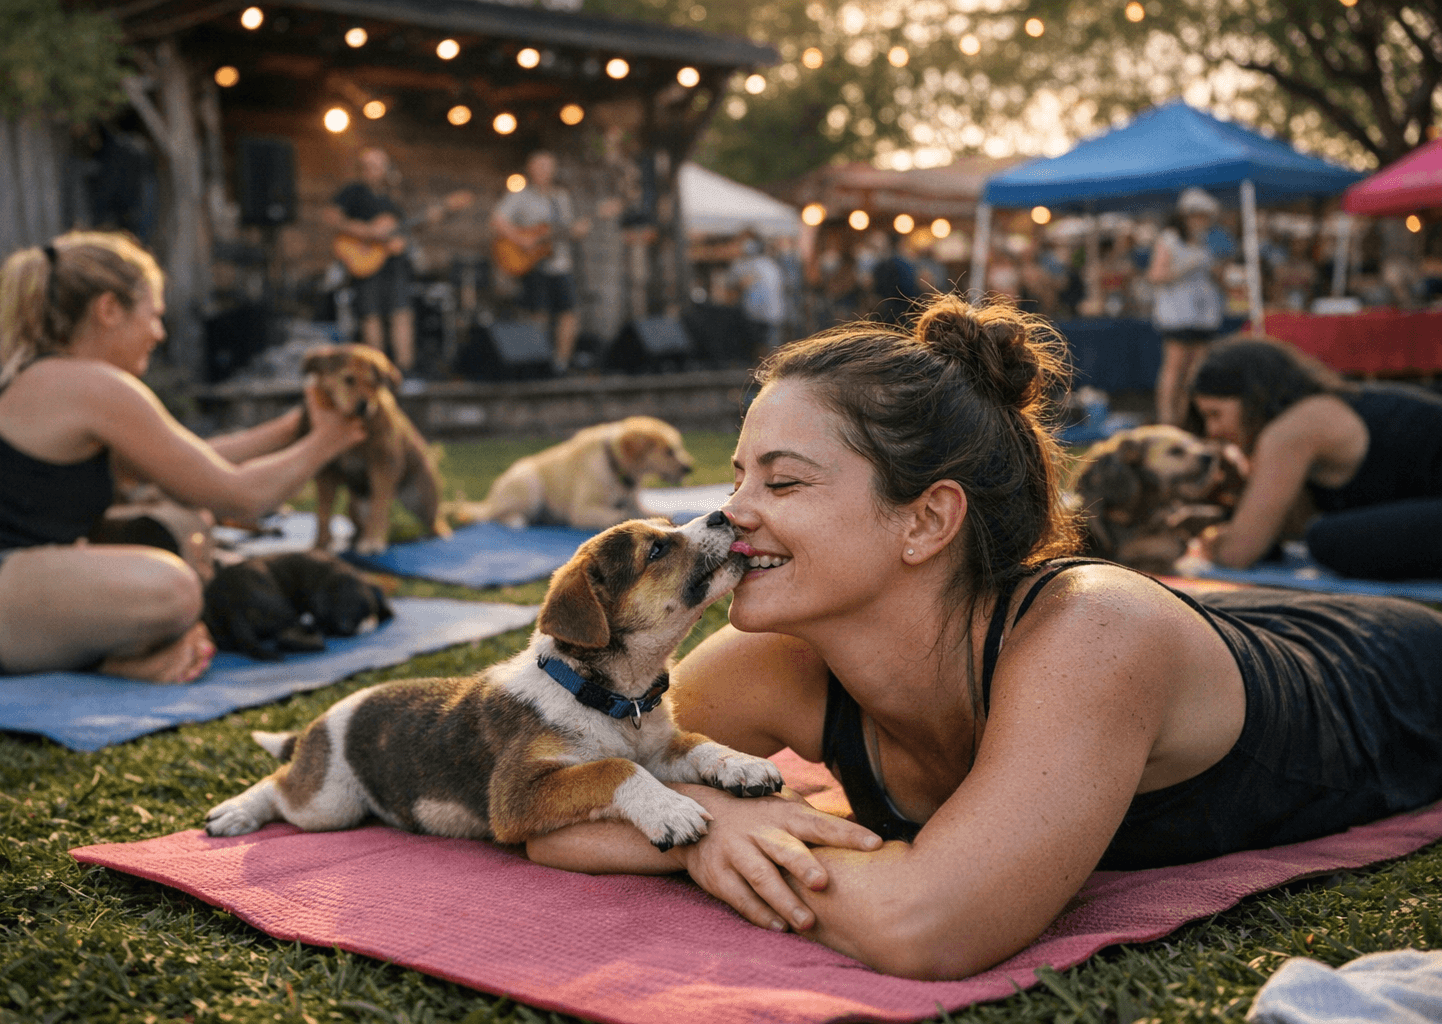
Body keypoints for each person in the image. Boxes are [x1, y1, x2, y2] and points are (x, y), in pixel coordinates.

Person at [524, 295, 1442, 980]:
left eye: (785, 483)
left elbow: (926, 924)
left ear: (927, 521)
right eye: (737, 479)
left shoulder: (1096, 632)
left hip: (1398, 670)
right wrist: (710, 822)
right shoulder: (786, 656)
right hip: (1233, 629)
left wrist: (690, 825)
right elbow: (540, 793)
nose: (731, 516)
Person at [0, 232, 366, 683]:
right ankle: (114, 662)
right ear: (109, 310)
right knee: (172, 587)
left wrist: (294, 428)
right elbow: (241, 498)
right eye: (153, 315)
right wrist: (331, 439)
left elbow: (196, 462)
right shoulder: (88, 386)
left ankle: (117, 659)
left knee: (179, 541)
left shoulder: (50, 380)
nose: (159, 333)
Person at [1187, 336, 1442, 579]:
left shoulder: (1293, 430)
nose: (1212, 431)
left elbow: (1237, 553)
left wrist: (1203, 541)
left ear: (1253, 400)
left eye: (1215, 414)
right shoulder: (1312, 413)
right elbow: (1291, 527)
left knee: (1329, 540)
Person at [490, 151, 588, 373]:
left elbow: (565, 229)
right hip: (535, 264)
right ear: (531, 169)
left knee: (568, 311)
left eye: (548, 166)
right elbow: (497, 220)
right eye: (540, 166)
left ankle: (561, 364)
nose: (544, 171)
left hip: (560, 263)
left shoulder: (560, 197)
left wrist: (576, 231)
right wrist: (521, 239)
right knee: (538, 313)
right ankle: (537, 360)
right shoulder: (520, 196)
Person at [325, 148, 418, 371]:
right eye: (368, 166)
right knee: (371, 316)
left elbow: (399, 233)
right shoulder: (353, 192)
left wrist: (398, 241)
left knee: (402, 313)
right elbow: (331, 218)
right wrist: (367, 233)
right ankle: (377, 370)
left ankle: (405, 370)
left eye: (378, 165)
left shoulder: (392, 198)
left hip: (393, 265)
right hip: (365, 264)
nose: (373, 170)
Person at [1148, 187, 1225, 426]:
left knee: (1195, 371)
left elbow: (1217, 279)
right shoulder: (1169, 239)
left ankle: (1185, 420)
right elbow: (1156, 275)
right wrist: (1185, 268)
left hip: (1203, 315)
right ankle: (1167, 420)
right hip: (1178, 316)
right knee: (1175, 367)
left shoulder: (1205, 244)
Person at [730, 229, 787, 359]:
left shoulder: (759, 264)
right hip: (767, 315)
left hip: (762, 316)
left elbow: (743, 284)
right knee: (771, 352)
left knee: (767, 351)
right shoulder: (768, 264)